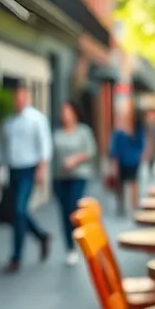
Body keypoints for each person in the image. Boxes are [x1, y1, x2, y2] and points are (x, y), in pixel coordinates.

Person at [0, 84, 52, 273]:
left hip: (29, 170)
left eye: (21, 97)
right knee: (17, 211)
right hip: (13, 171)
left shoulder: (36, 119)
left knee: (18, 210)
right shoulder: (8, 122)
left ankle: (16, 257)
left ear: (27, 98)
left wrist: (41, 170)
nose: (18, 101)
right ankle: (41, 236)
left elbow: (44, 146)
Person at [52, 100, 96, 265]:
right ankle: (69, 247)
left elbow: (91, 151)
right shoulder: (57, 134)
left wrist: (75, 160)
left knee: (72, 208)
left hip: (79, 175)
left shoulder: (84, 131)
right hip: (60, 177)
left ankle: (80, 239)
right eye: (63, 112)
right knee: (64, 213)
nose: (65, 115)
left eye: (68, 112)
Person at [109, 105, 145, 216]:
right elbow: (114, 150)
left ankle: (134, 205)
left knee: (134, 183)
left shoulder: (137, 130)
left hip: (133, 161)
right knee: (120, 185)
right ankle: (121, 206)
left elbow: (141, 146)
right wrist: (113, 165)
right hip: (121, 161)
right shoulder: (118, 132)